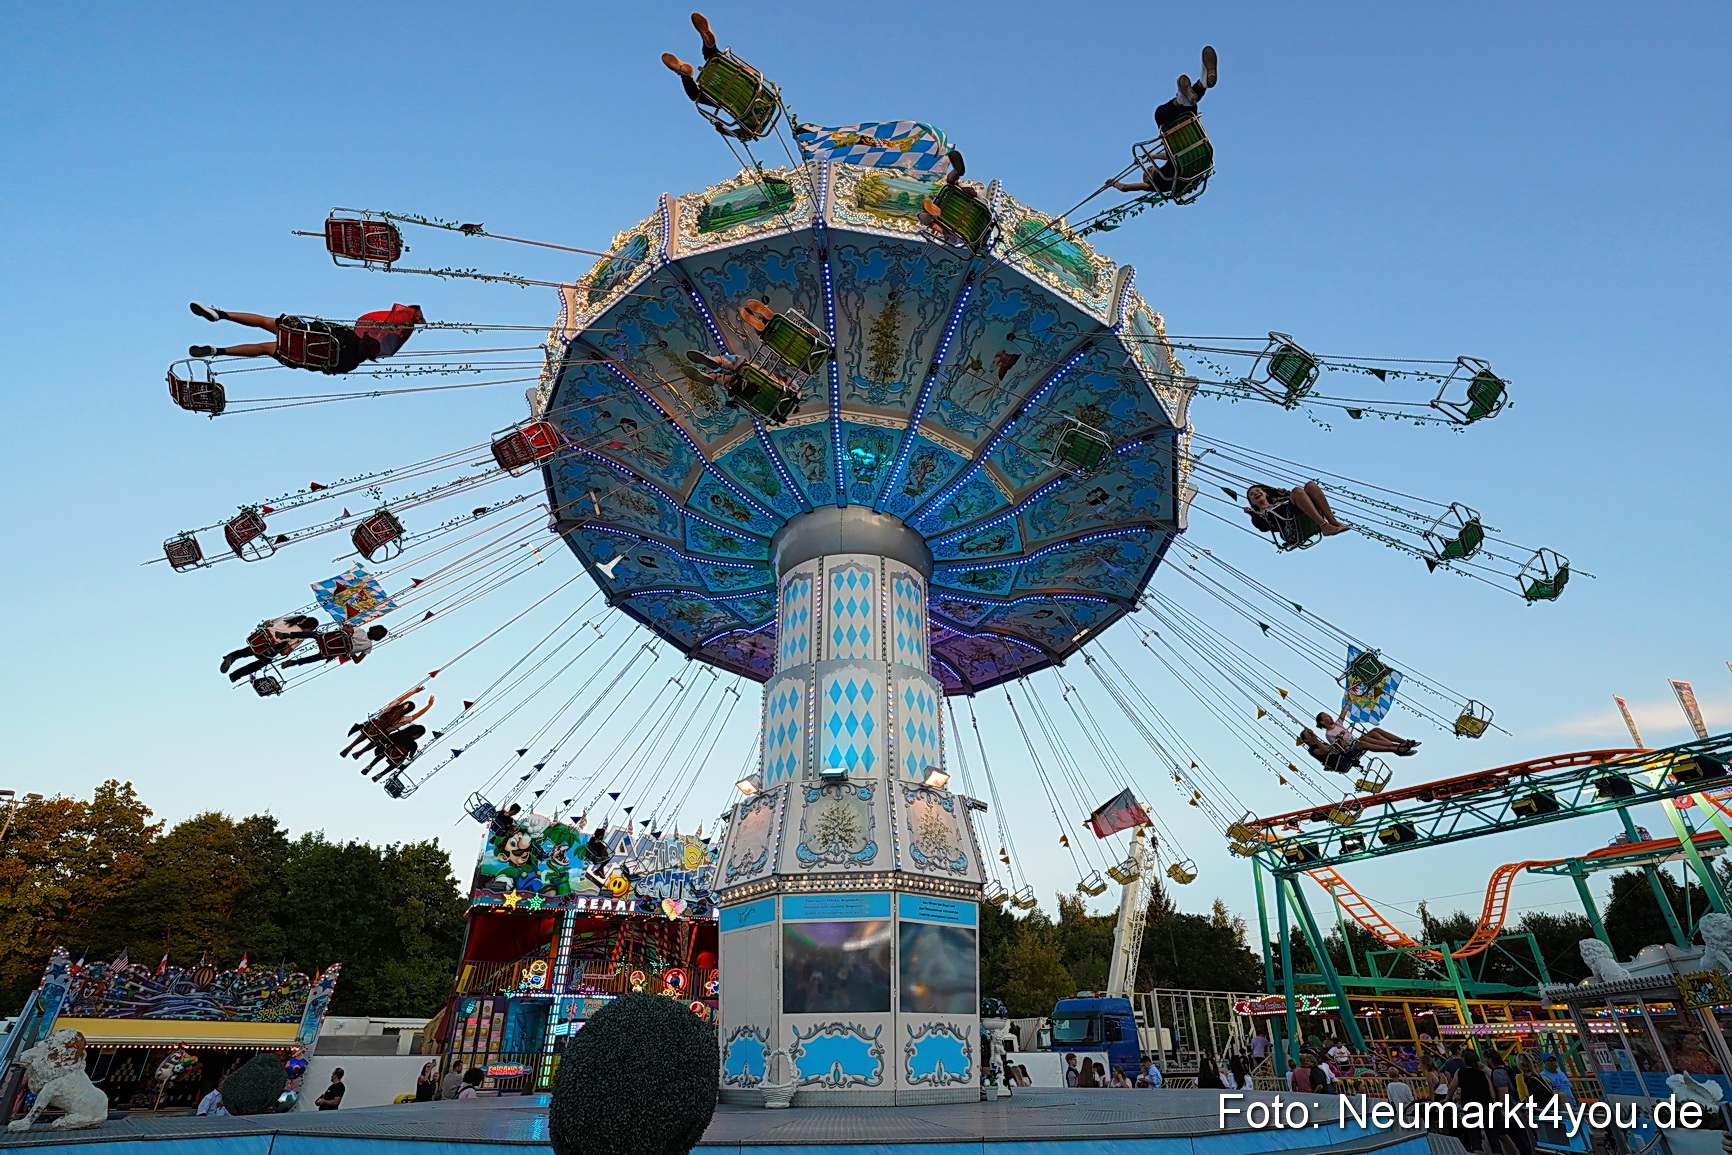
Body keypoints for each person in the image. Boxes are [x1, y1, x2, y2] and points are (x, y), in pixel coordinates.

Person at [188, 302, 423, 375]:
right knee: (263, 348)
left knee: (264, 322)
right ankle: (217, 351)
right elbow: (325, 369)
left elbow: (324, 328)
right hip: (296, 355)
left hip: (297, 333)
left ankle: (221, 315)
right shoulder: (351, 365)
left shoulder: (351, 336)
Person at [1110, 47, 1218, 198]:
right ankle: (1188, 93)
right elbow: (1125, 188)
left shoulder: (1177, 165)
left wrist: (1153, 156)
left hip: (1193, 142)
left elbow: (1170, 157)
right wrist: (1113, 183)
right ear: (1150, 181)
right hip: (1179, 135)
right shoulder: (1156, 185)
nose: (1148, 170)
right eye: (1147, 174)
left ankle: (1202, 83)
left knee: (1188, 108)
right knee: (1161, 115)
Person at [1243, 481, 1350, 547]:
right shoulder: (1261, 514)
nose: (1256, 493)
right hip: (1291, 531)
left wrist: (1285, 494)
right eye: (1252, 495)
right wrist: (1252, 514)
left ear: (1265, 493)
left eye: (1257, 490)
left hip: (1303, 517)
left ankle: (1332, 522)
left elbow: (1300, 498)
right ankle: (1324, 526)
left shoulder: (1279, 500)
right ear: (1252, 502)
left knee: (1310, 485)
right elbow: (1264, 527)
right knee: (1297, 491)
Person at [221, 614, 320, 682]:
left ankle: (231, 656)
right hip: (268, 649)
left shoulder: (287, 620)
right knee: (261, 663)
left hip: (259, 639)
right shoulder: (299, 636)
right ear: (310, 629)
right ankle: (235, 675)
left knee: (247, 651)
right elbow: (284, 652)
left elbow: (267, 623)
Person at [342, 689, 435, 758]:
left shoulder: (392, 707)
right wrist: (429, 705)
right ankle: (360, 752)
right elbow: (418, 714)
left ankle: (351, 746)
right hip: (382, 733)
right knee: (376, 741)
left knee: (367, 731)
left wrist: (414, 692)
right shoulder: (404, 719)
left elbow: (402, 698)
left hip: (373, 726)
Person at [282, 623, 388, 670]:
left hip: (326, 639)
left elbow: (345, 630)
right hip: (331, 652)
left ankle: (289, 635)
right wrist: (351, 653)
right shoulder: (368, 647)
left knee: (315, 634)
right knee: (318, 657)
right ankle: (295, 662)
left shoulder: (360, 631)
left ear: (371, 629)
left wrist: (348, 627)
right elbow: (357, 661)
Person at [1449, 1050, 1494, 1154]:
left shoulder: (1461, 1072)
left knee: (1474, 1136)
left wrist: (1447, 1098)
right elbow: (1491, 1091)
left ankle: (1478, 1151)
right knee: (1492, 1135)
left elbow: (1452, 1087)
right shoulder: (1483, 1073)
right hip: (1486, 1104)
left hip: (1470, 1105)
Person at [362, 723, 427, 779]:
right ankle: (381, 774)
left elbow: (389, 738)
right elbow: (411, 756)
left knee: (385, 751)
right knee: (397, 762)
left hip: (387, 751)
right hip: (395, 759)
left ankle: (370, 766)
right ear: (418, 735)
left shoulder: (400, 733)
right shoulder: (414, 745)